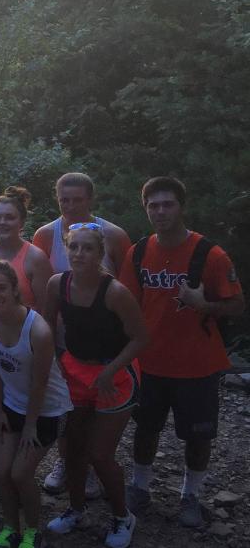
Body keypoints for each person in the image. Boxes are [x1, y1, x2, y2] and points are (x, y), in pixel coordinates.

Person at [119, 177, 244, 529]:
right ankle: (140, 486)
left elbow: (237, 304)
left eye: (167, 204)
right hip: (149, 362)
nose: (160, 211)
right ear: (146, 209)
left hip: (197, 364)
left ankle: (191, 495)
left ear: (181, 206)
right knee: (145, 429)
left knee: (198, 435)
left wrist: (205, 304)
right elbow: (127, 302)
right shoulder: (139, 251)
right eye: (153, 205)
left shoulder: (210, 254)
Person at [42, 223, 147, 548]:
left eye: (87, 248)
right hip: (75, 369)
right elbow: (46, 326)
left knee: (100, 454)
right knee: (73, 449)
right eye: (74, 247)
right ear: (66, 250)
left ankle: (122, 516)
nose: (79, 254)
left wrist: (110, 369)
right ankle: (76, 510)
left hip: (115, 374)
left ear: (100, 254)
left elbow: (141, 338)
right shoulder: (58, 284)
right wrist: (53, 363)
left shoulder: (114, 292)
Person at [33, 172, 129, 498]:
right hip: (63, 338)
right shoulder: (46, 235)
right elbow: (44, 288)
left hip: (106, 342)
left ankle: (92, 467)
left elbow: (129, 287)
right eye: (64, 200)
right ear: (56, 199)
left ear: (91, 199)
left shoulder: (113, 235)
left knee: (97, 410)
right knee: (67, 407)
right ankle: (67, 463)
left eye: (78, 199)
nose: (71, 206)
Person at [0, 260, 72, 548]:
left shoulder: (38, 330)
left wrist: (30, 425)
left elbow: (39, 383)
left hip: (47, 409)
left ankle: (33, 530)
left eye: (1, 288)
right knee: (3, 473)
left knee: (20, 473)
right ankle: (10, 528)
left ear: (16, 289)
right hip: (11, 404)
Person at [0, 186, 52, 308]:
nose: (2, 222)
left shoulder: (35, 258)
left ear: (22, 222)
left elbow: (47, 308)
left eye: (9, 217)